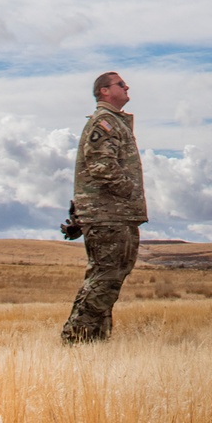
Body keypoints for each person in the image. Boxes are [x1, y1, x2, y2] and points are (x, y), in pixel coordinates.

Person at [60, 71, 147, 344]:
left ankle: (93, 342)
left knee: (108, 278)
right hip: (110, 214)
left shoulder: (115, 122)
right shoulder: (106, 122)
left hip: (116, 214)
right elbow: (101, 167)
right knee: (105, 278)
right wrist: (128, 191)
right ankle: (75, 337)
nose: (127, 86)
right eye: (121, 84)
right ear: (104, 91)